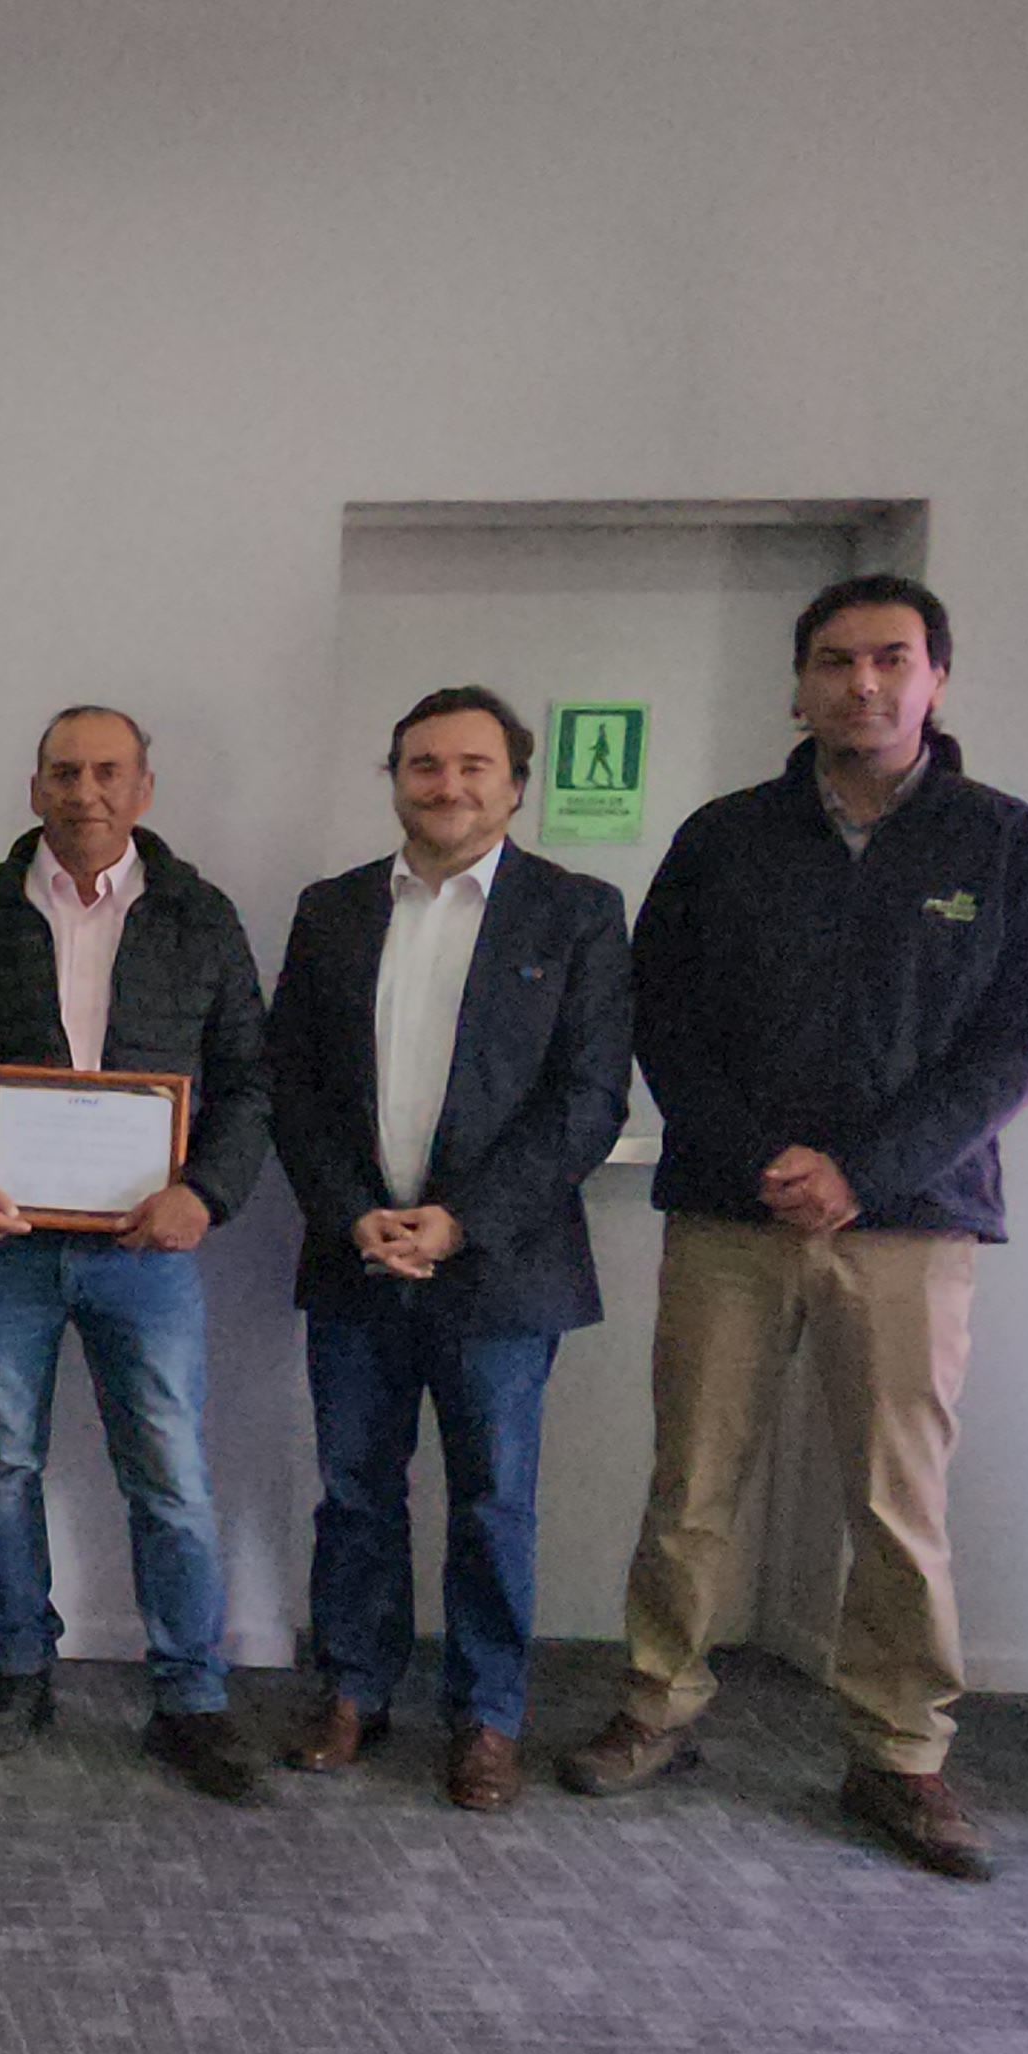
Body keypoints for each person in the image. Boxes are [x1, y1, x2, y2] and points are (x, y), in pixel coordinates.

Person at [560, 576, 1028, 1882]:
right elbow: (662, 1018)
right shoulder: (725, 840)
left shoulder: (1009, 847)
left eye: (891, 660)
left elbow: (1015, 1048)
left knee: (897, 1505)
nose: (865, 685)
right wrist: (757, 1158)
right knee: (691, 1482)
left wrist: (866, 1169)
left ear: (935, 680)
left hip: (912, 1227)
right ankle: (658, 1705)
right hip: (733, 1215)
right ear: (800, 685)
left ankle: (901, 1754)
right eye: (838, 662)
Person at [265, 686, 631, 1811]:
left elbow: (588, 1099)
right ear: (394, 779)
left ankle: (485, 1717)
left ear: (515, 783)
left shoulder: (574, 912)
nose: (448, 785)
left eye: (473, 765)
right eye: (424, 764)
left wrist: (461, 1218)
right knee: (354, 1493)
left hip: (502, 1270)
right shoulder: (330, 910)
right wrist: (350, 1212)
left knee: (493, 1502)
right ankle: (354, 1688)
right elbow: (292, 1084)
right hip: (358, 1256)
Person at [0, 707, 273, 1802]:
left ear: (144, 789)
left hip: (145, 1248)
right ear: (33, 789)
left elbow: (251, 1080)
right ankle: (16, 1666)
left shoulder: (199, 918)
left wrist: (203, 1195)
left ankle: (191, 1695)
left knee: (169, 1475)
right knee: (3, 1463)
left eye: (108, 772)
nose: (86, 792)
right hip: (7, 1242)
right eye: (64, 773)